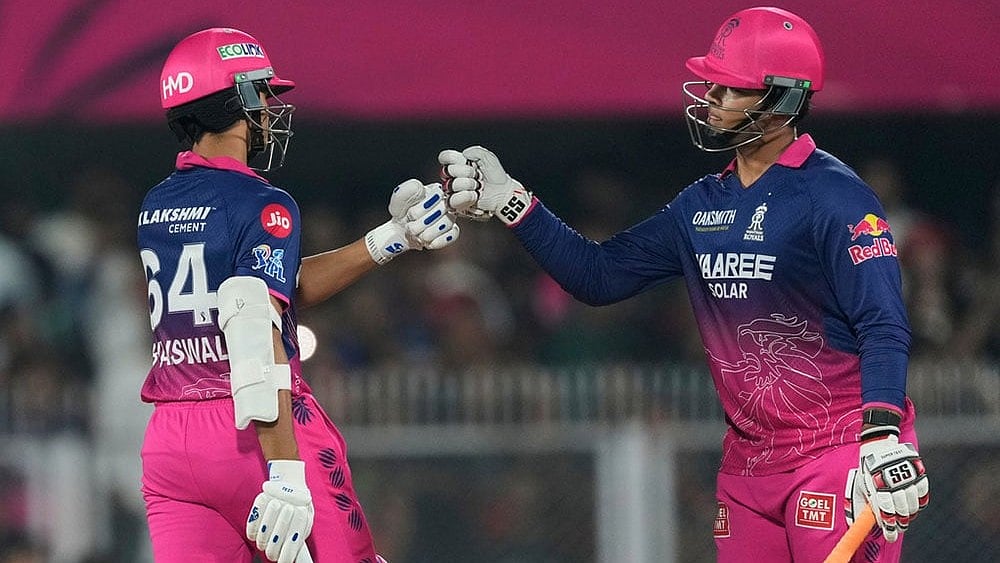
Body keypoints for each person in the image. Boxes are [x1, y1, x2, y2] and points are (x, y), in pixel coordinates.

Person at [438, 6, 929, 561]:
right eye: (712, 86)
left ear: (781, 98)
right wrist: (514, 206)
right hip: (748, 469)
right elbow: (598, 277)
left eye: (728, 88)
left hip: (837, 453)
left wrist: (882, 436)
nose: (711, 99)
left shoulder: (837, 198)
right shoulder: (700, 205)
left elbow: (882, 323)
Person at [139, 27, 458, 563]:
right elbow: (253, 324)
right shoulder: (263, 202)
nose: (269, 105)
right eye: (261, 92)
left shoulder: (157, 204)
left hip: (169, 438)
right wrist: (284, 470)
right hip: (253, 429)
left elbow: (279, 286)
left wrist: (391, 238)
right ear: (237, 98)